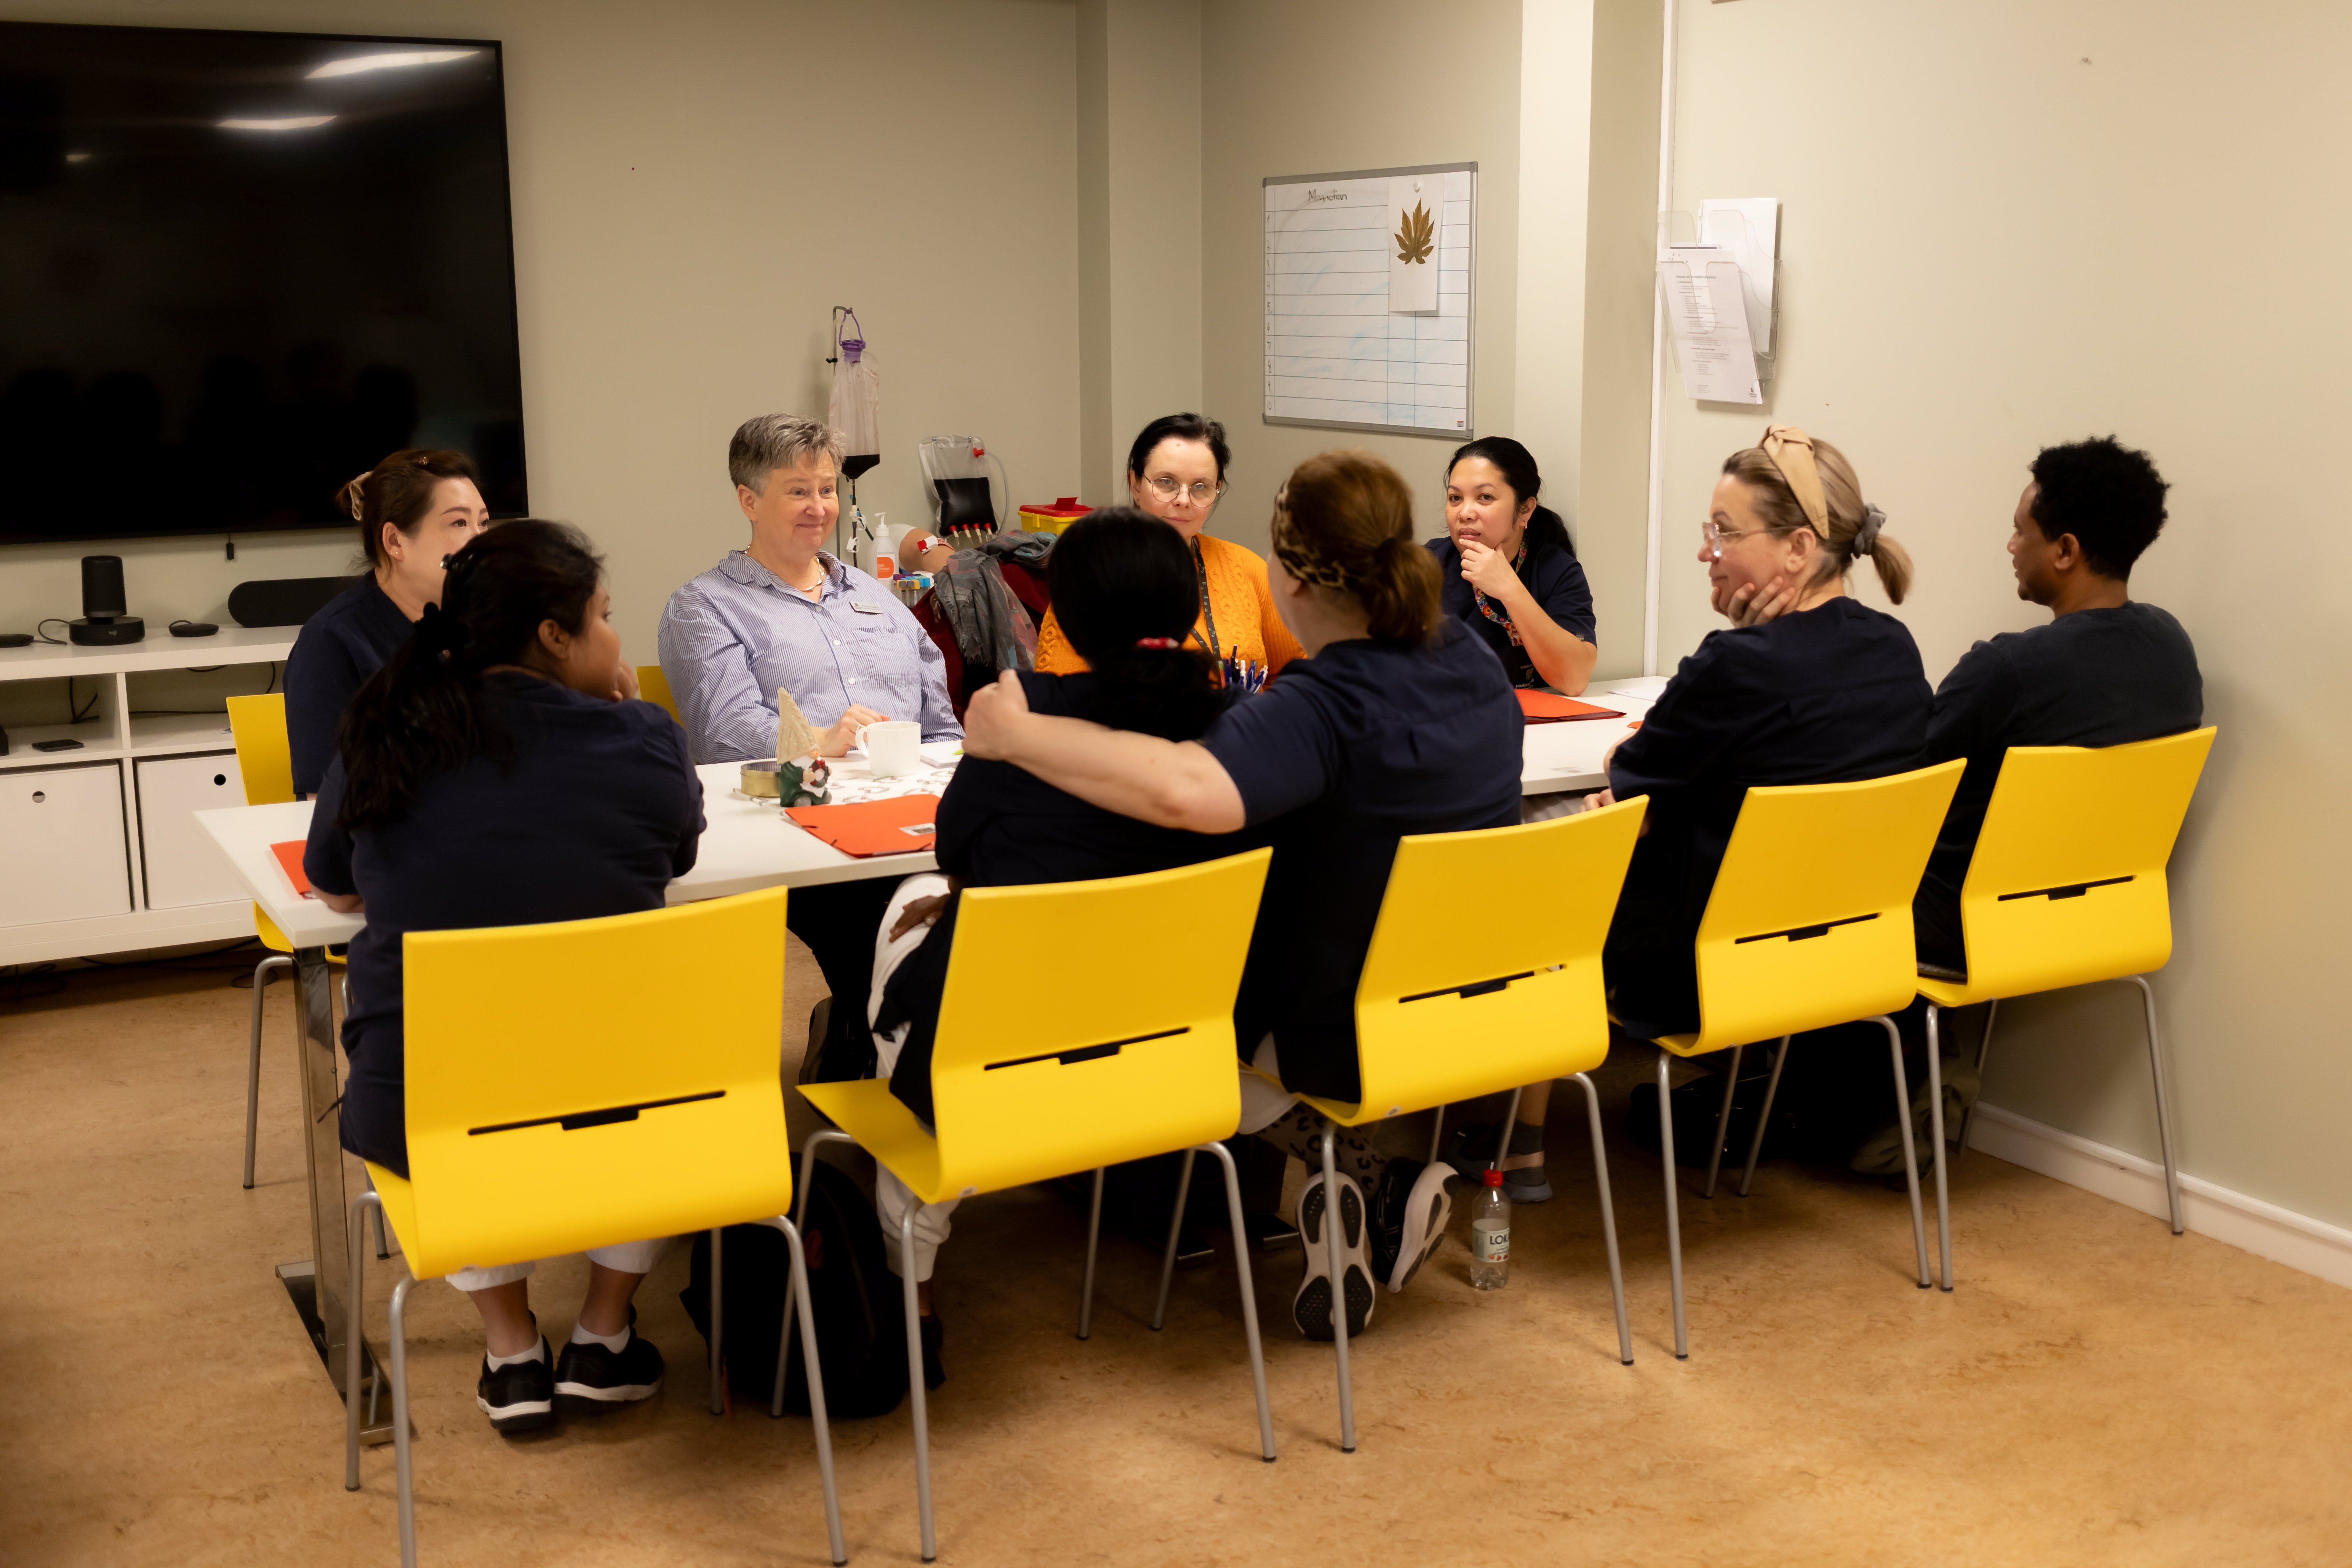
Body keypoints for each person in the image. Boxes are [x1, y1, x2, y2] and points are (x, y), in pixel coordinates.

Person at [963, 449, 1524, 1341]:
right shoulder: (1469, 658)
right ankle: (1362, 1178)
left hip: (1343, 1023)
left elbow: (1188, 789)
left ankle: (1345, 1168)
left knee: (1145, 988)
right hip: (1474, 1007)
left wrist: (1018, 735)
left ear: (1290, 582)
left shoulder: (1324, 703)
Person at [1450, 428, 1929, 1194]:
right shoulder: (1894, 651)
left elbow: (1628, 770)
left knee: (1540, 862)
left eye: (1725, 533)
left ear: (1799, 549)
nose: (1708, 551)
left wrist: (1640, 795)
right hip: (1842, 956)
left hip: (1695, 965)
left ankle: (1515, 1143)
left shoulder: (1737, 664)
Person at [304, 521, 701, 1436]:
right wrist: (624, 710)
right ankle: (603, 1333)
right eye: (604, 618)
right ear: (556, 638)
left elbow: (331, 884)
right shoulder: (639, 738)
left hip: (430, 1108)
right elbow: (676, 848)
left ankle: (513, 1350)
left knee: (463, 1072)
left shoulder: (385, 730)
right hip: (627, 1099)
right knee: (644, 1062)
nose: (615, 639)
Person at [862, 508, 1262, 1384]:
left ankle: (913, 1291)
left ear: (1062, 620)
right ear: (1194, 600)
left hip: (1000, 1057)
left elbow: (957, 852)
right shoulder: (1241, 721)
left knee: (913, 900)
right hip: (1179, 1056)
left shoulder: (1021, 715)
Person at [658, 414, 959, 1077]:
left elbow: (942, 726)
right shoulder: (705, 607)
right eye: (798, 491)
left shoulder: (877, 599)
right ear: (749, 500)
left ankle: (923, 1050)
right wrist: (818, 742)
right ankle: (894, 1068)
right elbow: (724, 733)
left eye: (828, 490)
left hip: (915, 817)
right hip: (800, 831)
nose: (820, 508)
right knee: (895, 930)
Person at [1913, 435, 2202, 972]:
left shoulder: (2007, 669)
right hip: (2103, 924)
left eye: (2021, 531)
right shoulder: (2173, 648)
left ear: (2065, 551)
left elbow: (1906, 787)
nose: (2011, 546)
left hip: (1963, 929)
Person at [1032, 414, 1306, 681]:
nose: (1184, 500)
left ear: (1217, 490)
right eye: (1166, 483)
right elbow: (1058, 701)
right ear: (1135, 485)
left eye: (1201, 486)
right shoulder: (1092, 578)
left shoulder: (1247, 567)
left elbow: (1294, 673)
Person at [282, 449, 492, 796]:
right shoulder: (332, 642)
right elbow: (325, 804)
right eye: (459, 523)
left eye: (483, 522)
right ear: (395, 541)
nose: (482, 540)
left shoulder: (491, 620)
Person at [1429, 436, 1597, 693]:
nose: (1465, 513)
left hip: (1531, 725)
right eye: (1455, 498)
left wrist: (1510, 590)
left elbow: (1574, 680)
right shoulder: (1425, 565)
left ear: (1526, 509)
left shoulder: (1557, 570)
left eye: (1485, 497)